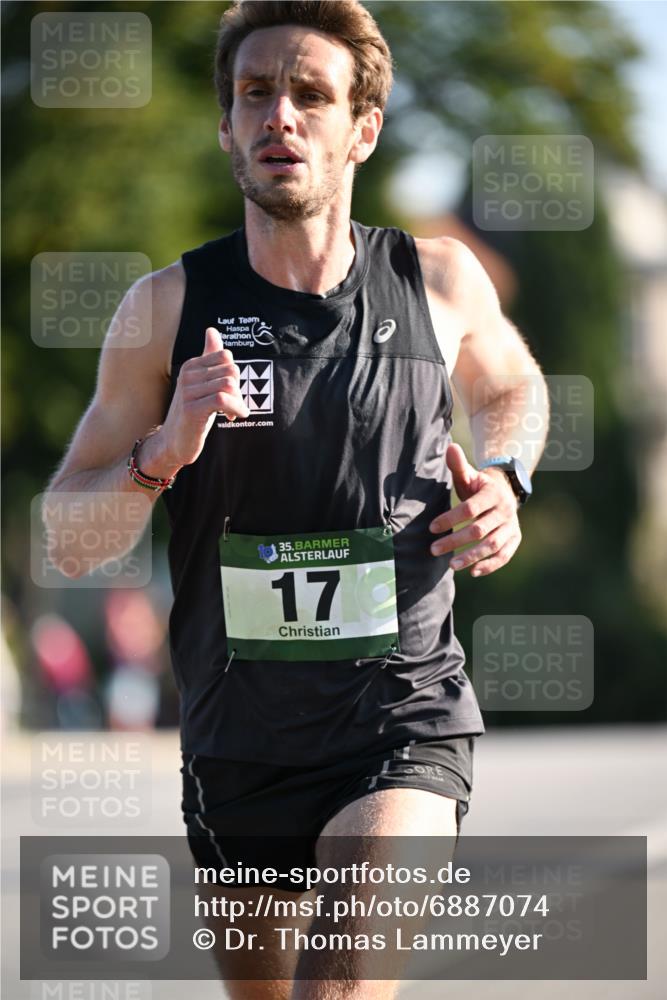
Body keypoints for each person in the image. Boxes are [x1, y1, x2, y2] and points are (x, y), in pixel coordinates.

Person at [44, 2, 549, 997]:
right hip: (240, 746)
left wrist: (507, 476)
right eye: (254, 93)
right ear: (226, 128)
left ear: (361, 128)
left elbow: (511, 388)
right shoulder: (163, 313)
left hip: (401, 719)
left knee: (340, 982)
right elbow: (66, 539)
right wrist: (159, 452)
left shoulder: (436, 280)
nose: (280, 114)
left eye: (310, 95)